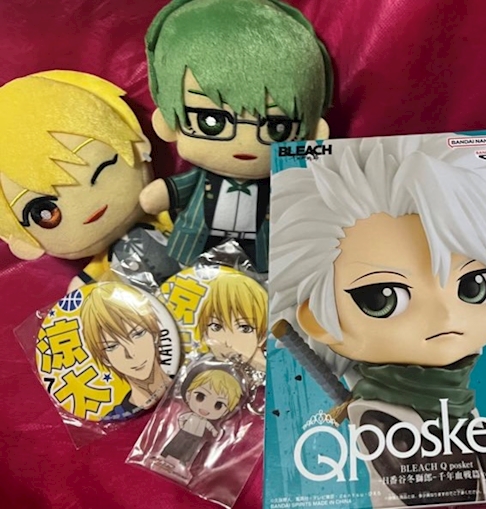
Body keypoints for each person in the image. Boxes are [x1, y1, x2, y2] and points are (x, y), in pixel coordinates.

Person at [269, 134, 486, 506]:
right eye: (383, 298)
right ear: (318, 319)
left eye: (473, 286)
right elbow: (426, 487)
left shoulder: (457, 397)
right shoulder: (375, 414)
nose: (445, 314)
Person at [139, 0, 333, 273]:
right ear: (167, 123)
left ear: (313, 135)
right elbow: (169, 193)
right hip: (196, 248)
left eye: (276, 127)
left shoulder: (281, 181)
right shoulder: (200, 178)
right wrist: (161, 194)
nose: (245, 142)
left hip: (258, 255)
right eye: (211, 122)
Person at [0, 70, 171, 290]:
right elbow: (86, 283)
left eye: (102, 169)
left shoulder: (167, 215)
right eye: (47, 214)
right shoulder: (104, 262)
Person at [82, 283, 170, 419]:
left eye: (138, 334)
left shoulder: (191, 383)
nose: (131, 353)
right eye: (112, 346)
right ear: (105, 358)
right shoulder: (114, 416)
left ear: (154, 334)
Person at [158, 367, 243, 479]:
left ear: (226, 411)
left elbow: (209, 426)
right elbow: (182, 417)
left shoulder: (204, 421)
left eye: (218, 405)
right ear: (188, 395)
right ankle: (165, 456)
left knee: (190, 450)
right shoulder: (191, 415)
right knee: (176, 444)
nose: (206, 407)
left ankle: (183, 463)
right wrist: (182, 424)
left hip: (197, 437)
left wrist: (214, 431)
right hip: (184, 432)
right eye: (200, 396)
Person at [197, 273, 267, 371]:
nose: (228, 343)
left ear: (262, 337)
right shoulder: (201, 370)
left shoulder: (277, 370)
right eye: (216, 327)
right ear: (205, 333)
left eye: (244, 328)